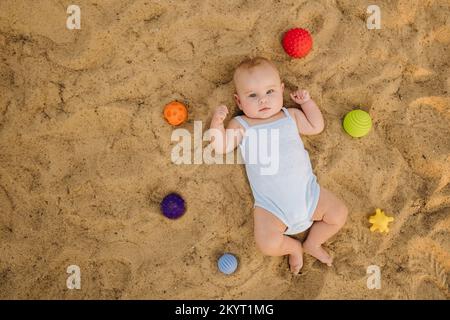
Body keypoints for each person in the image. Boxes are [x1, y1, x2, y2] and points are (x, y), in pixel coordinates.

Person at [209, 57, 348, 274]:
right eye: (252, 95)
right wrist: (217, 124)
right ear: (239, 102)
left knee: (339, 213)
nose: (263, 100)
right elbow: (222, 146)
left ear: (282, 90)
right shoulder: (242, 125)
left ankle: (312, 242)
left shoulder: (289, 115)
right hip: (271, 207)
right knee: (267, 244)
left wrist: (306, 103)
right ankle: (293, 248)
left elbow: (315, 126)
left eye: (270, 92)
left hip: (309, 195)